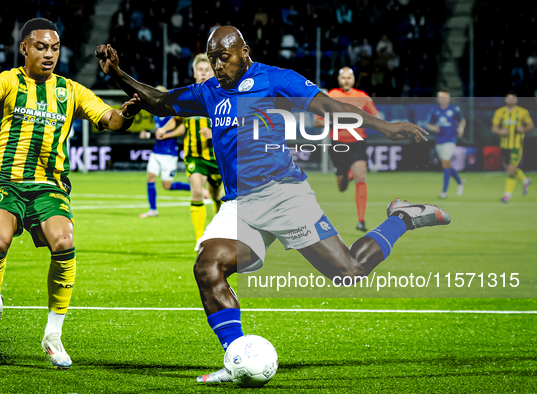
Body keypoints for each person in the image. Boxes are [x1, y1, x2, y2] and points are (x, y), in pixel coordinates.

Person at [96, 25, 450, 383]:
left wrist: (384, 126)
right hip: (239, 204)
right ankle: (236, 357)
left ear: (243, 52)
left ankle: (401, 217)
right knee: (208, 268)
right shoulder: (209, 91)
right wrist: (119, 74)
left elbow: (329, 106)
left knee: (350, 272)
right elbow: (160, 102)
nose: (218, 66)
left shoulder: (274, 79)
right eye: (213, 58)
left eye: (224, 57)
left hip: (284, 194)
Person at [0, 18, 139, 370]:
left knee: (64, 242)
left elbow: (110, 118)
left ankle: (53, 334)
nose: (48, 53)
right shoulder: (7, 81)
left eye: (54, 48)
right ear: (25, 48)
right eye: (41, 47)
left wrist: (126, 114)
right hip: (4, 182)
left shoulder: (71, 90)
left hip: (48, 186)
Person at [315, 67, 379, 232]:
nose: (346, 81)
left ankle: (361, 221)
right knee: (342, 187)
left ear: (353, 79)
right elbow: (318, 121)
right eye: (343, 78)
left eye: (348, 78)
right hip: (338, 144)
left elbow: (376, 118)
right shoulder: (330, 96)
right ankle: (346, 173)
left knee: (361, 177)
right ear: (338, 79)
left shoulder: (363, 97)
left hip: (358, 143)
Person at [171, 53, 223, 240]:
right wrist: (163, 132)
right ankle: (200, 239)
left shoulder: (222, 96)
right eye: (199, 70)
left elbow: (234, 124)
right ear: (194, 73)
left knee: (217, 197)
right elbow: (177, 120)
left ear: (214, 72)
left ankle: (218, 232)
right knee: (197, 192)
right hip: (194, 156)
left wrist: (215, 132)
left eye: (206, 70)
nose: (203, 73)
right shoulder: (186, 96)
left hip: (217, 157)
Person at [139, 86, 191, 218]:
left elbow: (182, 130)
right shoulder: (156, 114)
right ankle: (153, 210)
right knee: (150, 177)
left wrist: (166, 135)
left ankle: (196, 188)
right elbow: (159, 133)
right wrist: (149, 135)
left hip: (169, 153)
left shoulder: (172, 111)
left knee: (167, 186)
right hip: (157, 152)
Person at [492, 91, 533, 203]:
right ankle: (525, 180)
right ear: (505, 100)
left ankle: (507, 196)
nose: (510, 100)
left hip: (516, 145)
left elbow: (530, 124)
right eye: (508, 98)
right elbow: (494, 128)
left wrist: (523, 129)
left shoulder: (522, 112)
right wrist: (500, 131)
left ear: (516, 100)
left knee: (511, 169)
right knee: (510, 169)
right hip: (504, 145)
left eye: (512, 98)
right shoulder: (500, 112)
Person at [426, 88, 466, 198]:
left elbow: (462, 120)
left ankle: (444, 192)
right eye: (440, 97)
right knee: (446, 164)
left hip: (451, 139)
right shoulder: (434, 110)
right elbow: (428, 124)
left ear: (448, 98)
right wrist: (434, 127)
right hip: (439, 140)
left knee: (445, 162)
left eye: (444, 97)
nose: (442, 99)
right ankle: (459, 181)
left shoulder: (454, 109)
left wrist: (461, 128)